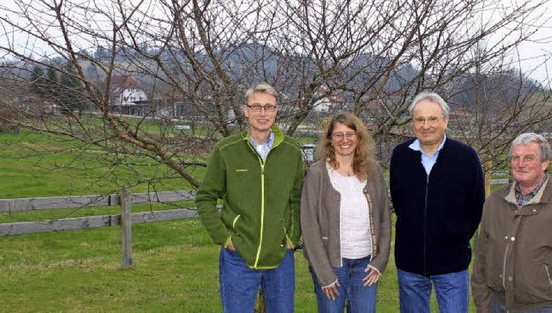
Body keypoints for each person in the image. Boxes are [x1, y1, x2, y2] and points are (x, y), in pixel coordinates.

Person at [195, 82, 303, 313]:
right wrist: (225, 238)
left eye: (268, 107)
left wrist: (292, 237)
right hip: (238, 256)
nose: (262, 113)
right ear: (245, 110)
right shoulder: (226, 150)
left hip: (280, 256)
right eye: (256, 107)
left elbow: (297, 198)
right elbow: (205, 198)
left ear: (276, 110)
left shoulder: (292, 151)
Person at [472, 133, 552, 312]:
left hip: (546, 307)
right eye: (516, 157)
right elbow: (481, 260)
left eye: (529, 158)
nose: (521, 164)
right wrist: (483, 305)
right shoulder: (495, 202)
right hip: (497, 305)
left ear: (545, 163)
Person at [390, 91, 485, 312]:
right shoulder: (400, 155)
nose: (426, 125)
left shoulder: (466, 157)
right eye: (419, 119)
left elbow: (476, 206)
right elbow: (399, 201)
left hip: (452, 264)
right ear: (412, 123)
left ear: (445, 121)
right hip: (409, 263)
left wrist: (456, 237)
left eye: (433, 119)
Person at [301, 112, 391, 313]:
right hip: (331, 265)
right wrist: (324, 274)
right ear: (330, 140)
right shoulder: (318, 174)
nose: (345, 140)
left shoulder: (373, 171)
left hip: (365, 266)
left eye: (350, 134)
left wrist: (379, 262)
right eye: (338, 135)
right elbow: (309, 226)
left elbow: (384, 219)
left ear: (358, 137)